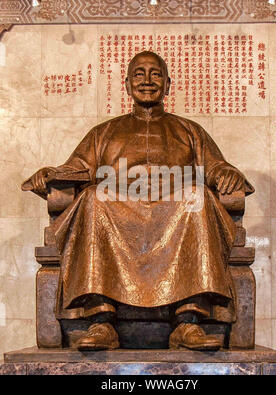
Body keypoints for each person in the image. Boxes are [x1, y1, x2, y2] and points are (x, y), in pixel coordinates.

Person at [23, 51, 254, 351]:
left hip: (176, 216)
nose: (147, 81)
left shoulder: (190, 131)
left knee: (196, 197)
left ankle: (188, 323)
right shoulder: (104, 133)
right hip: (117, 216)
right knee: (93, 198)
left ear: (168, 84)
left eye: (155, 74)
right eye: (139, 74)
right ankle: (101, 321)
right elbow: (77, 167)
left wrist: (226, 173)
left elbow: (214, 166)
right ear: (127, 83)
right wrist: (53, 175)